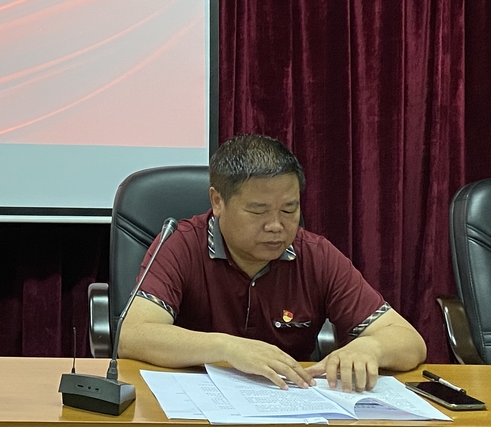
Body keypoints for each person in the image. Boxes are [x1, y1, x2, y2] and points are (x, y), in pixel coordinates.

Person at [117, 134, 426, 393]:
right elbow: (132, 335)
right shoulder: (181, 244)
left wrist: (369, 348)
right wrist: (228, 348)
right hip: (195, 406)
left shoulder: (316, 255)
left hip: (289, 403)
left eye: (289, 209)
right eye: (258, 211)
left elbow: (409, 342)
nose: (276, 226)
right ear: (217, 201)